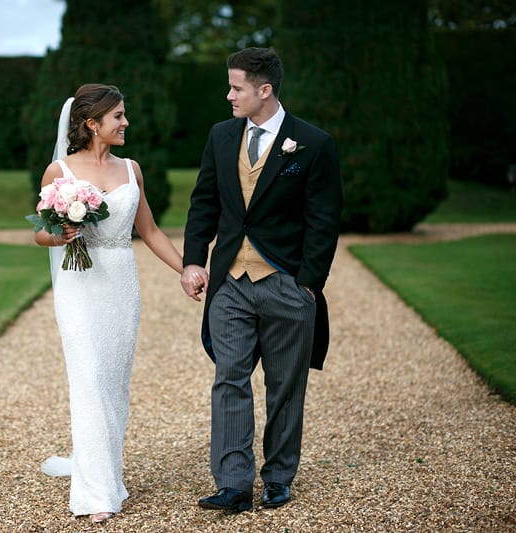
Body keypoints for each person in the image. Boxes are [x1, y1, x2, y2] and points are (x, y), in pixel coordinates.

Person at [180, 47, 343, 512]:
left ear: (263, 90)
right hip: (230, 281)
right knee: (229, 378)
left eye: (236, 88)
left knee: (284, 384)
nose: (228, 95)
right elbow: (204, 203)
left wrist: (307, 283)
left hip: (286, 281)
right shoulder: (221, 135)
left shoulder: (312, 142)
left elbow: (324, 219)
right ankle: (233, 483)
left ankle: (277, 476)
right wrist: (195, 261)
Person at [34, 83, 183, 524]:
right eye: (118, 116)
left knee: (114, 384)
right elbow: (39, 232)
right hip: (78, 286)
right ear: (91, 123)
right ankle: (96, 493)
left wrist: (189, 270)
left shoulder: (132, 169)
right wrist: (58, 233)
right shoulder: (58, 170)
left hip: (120, 281)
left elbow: (151, 231)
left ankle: (104, 471)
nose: (126, 123)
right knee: (91, 377)